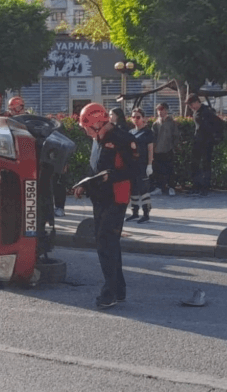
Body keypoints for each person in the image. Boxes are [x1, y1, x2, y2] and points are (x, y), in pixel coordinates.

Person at [73, 103, 135, 309]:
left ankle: (109, 293)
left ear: (98, 123)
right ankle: (118, 290)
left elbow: (136, 170)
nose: (85, 132)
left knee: (106, 243)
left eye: (87, 127)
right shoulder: (97, 139)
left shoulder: (122, 139)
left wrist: (112, 175)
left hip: (116, 197)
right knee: (108, 244)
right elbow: (95, 167)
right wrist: (84, 184)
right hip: (100, 197)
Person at [127, 108, 155, 223]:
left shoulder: (148, 133)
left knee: (144, 190)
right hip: (132, 165)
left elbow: (150, 149)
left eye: (138, 117)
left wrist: (150, 164)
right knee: (133, 190)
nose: (135, 119)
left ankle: (146, 213)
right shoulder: (131, 132)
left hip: (143, 165)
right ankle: (134, 212)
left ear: (143, 118)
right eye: (133, 117)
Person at [186, 94, 217, 196]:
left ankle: (205, 187)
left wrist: (213, 139)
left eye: (191, 105)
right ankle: (196, 186)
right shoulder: (197, 112)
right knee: (194, 164)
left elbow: (215, 125)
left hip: (207, 142)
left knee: (205, 165)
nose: (191, 108)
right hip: (198, 141)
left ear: (196, 102)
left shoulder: (207, 112)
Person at [150, 102, 179, 196]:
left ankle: (171, 187)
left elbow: (176, 136)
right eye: (158, 110)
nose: (160, 111)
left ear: (166, 110)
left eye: (161, 109)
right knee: (158, 170)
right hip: (157, 150)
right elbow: (153, 138)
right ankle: (159, 187)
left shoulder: (172, 122)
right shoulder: (155, 124)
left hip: (168, 150)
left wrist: (175, 147)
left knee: (169, 170)